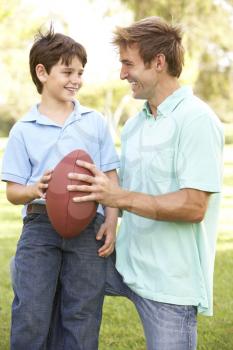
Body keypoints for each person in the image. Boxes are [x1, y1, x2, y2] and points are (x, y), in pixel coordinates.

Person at [66, 16, 224, 350]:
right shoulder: (136, 124)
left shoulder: (195, 120)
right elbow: (123, 191)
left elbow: (194, 206)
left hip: (170, 286)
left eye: (128, 64)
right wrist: (93, 191)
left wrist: (119, 197)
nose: (122, 74)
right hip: (123, 263)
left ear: (158, 62)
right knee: (46, 261)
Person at [1, 26, 119, 350]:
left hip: (87, 226)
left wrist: (110, 220)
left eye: (80, 72)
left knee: (82, 313)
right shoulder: (23, 129)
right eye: (67, 71)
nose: (76, 79)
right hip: (40, 226)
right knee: (31, 312)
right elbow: (13, 191)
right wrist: (35, 188)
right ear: (42, 72)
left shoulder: (93, 122)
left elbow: (110, 176)